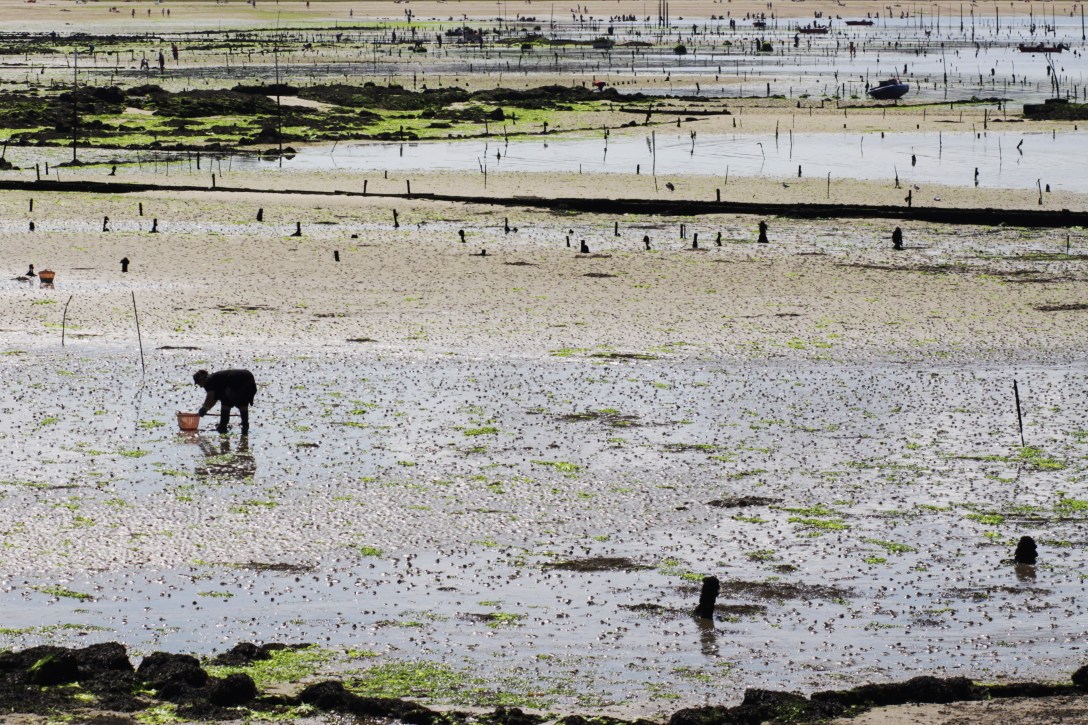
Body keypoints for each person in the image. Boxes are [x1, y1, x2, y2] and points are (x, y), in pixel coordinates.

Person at [193, 369, 256, 434]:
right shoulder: (216, 380)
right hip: (249, 377)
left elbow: (210, 397)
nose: (200, 386)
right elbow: (214, 399)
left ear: (202, 379)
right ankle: (244, 425)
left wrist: (204, 408)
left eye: (198, 383)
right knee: (236, 401)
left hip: (238, 380)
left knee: (235, 400)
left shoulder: (209, 381)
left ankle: (223, 426)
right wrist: (206, 408)